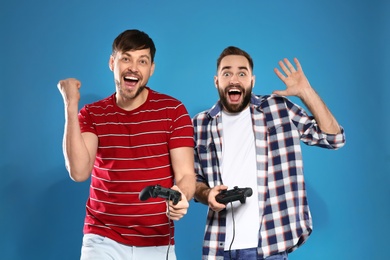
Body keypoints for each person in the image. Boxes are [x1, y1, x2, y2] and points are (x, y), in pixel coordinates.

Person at [193, 46, 346, 260]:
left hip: (269, 246)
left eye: (242, 73)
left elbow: (334, 138)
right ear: (216, 81)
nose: (234, 79)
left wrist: (306, 93)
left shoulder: (278, 108)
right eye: (226, 73)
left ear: (252, 81)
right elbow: (193, 179)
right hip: (218, 248)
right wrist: (206, 194)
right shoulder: (200, 124)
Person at [57, 29, 195, 260]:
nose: (133, 67)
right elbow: (79, 172)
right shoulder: (93, 113)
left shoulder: (174, 112)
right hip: (102, 238)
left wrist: (181, 194)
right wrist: (71, 106)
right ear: (113, 62)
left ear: (151, 69)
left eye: (142, 61)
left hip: (157, 242)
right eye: (126, 58)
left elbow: (186, 175)